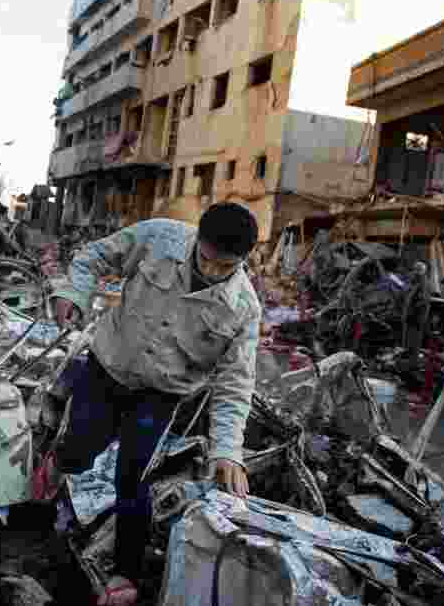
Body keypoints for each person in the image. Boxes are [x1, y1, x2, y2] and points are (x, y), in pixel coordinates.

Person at [41, 203, 262, 606]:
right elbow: (94, 257)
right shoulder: (160, 237)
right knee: (79, 450)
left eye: (224, 268)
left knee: (134, 478)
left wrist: (227, 450)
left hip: (162, 395)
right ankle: (58, 463)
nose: (211, 272)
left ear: (243, 261)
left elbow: (235, 384)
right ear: (198, 240)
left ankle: (125, 573)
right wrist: (73, 293)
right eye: (207, 260)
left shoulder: (243, 309)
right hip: (108, 368)